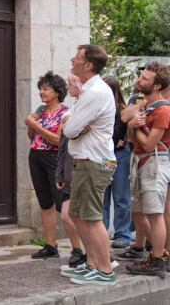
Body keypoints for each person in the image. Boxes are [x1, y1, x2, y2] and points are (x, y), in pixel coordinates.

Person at [60, 44, 117, 286]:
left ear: (88, 65)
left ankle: (105, 271)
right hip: (87, 160)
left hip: (94, 161)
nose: (72, 59)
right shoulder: (90, 90)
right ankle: (92, 264)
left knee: (92, 218)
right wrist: (72, 122)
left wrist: (72, 124)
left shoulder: (95, 92)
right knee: (77, 214)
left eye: (77, 57)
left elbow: (69, 128)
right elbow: (68, 119)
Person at [123, 63, 170, 277]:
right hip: (142, 161)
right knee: (141, 212)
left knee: (155, 213)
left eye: (145, 78)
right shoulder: (144, 107)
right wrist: (132, 127)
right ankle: (157, 255)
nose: (139, 80)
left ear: (157, 85)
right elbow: (130, 138)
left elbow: (150, 144)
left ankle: (158, 259)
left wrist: (136, 127)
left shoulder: (163, 110)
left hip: (154, 162)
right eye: (141, 76)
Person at [24, 71, 69, 259]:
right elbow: (31, 137)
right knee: (45, 202)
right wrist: (31, 125)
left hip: (54, 158)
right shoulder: (41, 110)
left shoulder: (65, 113)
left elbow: (58, 140)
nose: (42, 92)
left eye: (46, 89)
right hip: (36, 155)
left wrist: (35, 126)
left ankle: (77, 248)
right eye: (40, 89)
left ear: (57, 92)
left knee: (63, 203)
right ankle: (50, 245)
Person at [55, 73, 87, 269]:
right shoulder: (72, 110)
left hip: (86, 167)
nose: (67, 88)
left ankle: (96, 254)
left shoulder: (89, 107)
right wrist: (59, 173)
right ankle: (78, 250)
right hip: (69, 170)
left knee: (87, 217)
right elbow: (62, 144)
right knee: (66, 215)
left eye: (70, 84)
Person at [102, 77, 132, 249]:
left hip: (119, 156)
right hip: (106, 156)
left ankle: (123, 235)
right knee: (103, 197)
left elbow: (116, 136)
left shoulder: (121, 111)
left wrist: (113, 140)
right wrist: (113, 140)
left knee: (121, 197)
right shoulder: (101, 109)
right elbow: (111, 139)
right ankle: (102, 233)